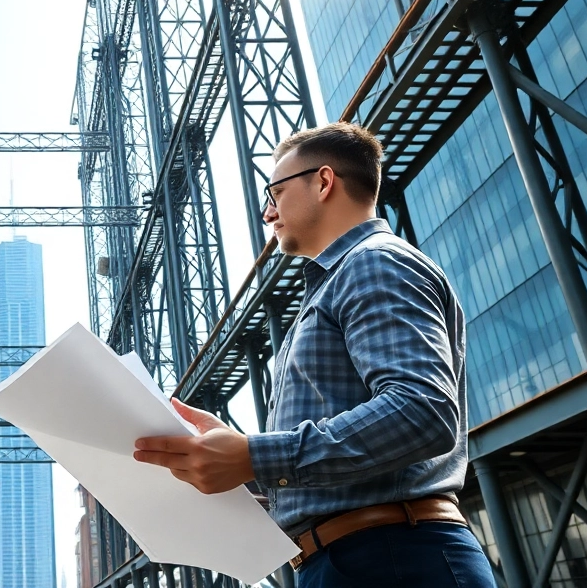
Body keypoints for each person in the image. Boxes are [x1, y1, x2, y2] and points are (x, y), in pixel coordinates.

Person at [132, 122, 496, 588]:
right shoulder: (341, 281)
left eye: (276, 192)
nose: (267, 213)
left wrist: (255, 456)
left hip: (392, 557)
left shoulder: (373, 262)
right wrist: (236, 464)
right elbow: (342, 462)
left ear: (323, 182)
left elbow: (421, 411)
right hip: (357, 557)